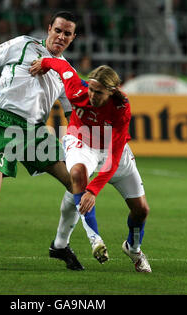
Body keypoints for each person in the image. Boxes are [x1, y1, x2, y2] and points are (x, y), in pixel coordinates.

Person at [0, 11, 86, 271]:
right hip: (3, 124)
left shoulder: (66, 72)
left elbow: (74, 115)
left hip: (35, 132)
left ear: (73, 38)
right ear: (49, 28)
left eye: (67, 33)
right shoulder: (23, 44)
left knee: (77, 184)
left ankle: (60, 245)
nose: (61, 36)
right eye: (57, 30)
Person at [29, 56, 152, 272]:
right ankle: (95, 239)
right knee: (77, 173)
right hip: (81, 143)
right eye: (91, 89)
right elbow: (62, 66)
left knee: (141, 210)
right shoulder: (77, 89)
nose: (92, 95)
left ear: (112, 92)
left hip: (113, 153)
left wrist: (93, 190)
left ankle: (133, 249)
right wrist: (45, 62)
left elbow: (113, 157)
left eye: (99, 92)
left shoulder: (121, 108)